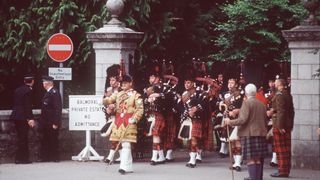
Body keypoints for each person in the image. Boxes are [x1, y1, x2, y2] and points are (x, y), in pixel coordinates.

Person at [224, 84, 268, 180]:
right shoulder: (262, 104)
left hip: (249, 134)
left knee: (251, 160)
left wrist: (229, 121)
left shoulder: (246, 103)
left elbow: (242, 120)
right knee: (257, 159)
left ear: (246, 93)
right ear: (255, 92)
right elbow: (265, 120)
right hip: (260, 133)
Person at [103, 75, 144, 175]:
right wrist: (109, 104)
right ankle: (128, 166)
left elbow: (140, 109)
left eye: (126, 83)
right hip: (118, 120)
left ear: (130, 83)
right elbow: (106, 101)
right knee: (121, 144)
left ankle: (123, 166)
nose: (124, 84)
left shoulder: (136, 95)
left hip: (129, 120)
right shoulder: (118, 94)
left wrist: (135, 118)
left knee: (126, 143)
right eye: (122, 83)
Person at [268, 79, 294, 178]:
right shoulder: (287, 94)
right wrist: (290, 124)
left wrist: (280, 126)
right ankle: (286, 170)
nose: (274, 84)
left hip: (280, 124)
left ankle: (282, 171)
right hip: (287, 124)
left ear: (279, 84)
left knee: (280, 149)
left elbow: (281, 111)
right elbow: (290, 111)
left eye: (275, 82)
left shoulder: (279, 95)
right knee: (286, 149)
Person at [10, 74, 36, 164]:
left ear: (24, 81)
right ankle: (22, 159)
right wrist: (30, 118)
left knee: (20, 137)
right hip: (23, 116)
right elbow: (27, 105)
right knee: (23, 138)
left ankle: (19, 158)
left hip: (16, 115)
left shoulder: (18, 90)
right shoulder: (28, 91)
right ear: (32, 81)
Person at [38, 76, 62, 162]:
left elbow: (57, 109)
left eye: (44, 83)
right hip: (46, 122)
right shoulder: (48, 92)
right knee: (46, 139)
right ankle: (46, 157)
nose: (43, 84)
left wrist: (56, 122)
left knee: (53, 139)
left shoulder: (54, 93)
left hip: (52, 121)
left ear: (48, 83)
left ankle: (55, 157)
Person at [102, 65, 122, 164]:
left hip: (120, 116)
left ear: (118, 81)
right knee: (115, 137)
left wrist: (113, 107)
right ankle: (122, 156)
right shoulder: (109, 91)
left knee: (115, 136)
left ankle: (110, 157)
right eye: (110, 80)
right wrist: (107, 109)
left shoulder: (121, 91)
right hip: (111, 117)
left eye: (113, 80)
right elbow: (104, 102)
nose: (111, 82)